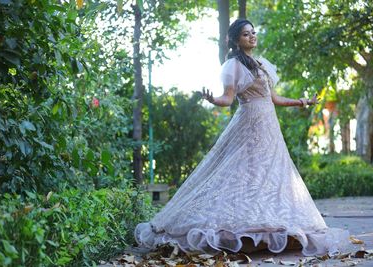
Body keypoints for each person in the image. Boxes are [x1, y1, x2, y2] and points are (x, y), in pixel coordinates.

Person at [135, 19, 349, 256]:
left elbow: (274, 98)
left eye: (253, 33)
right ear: (237, 40)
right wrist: (212, 99)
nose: (252, 37)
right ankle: (237, 225)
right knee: (240, 172)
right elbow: (228, 98)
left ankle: (265, 221)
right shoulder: (233, 65)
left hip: (269, 127)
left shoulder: (262, 64)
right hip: (249, 123)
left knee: (269, 173)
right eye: (246, 34)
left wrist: (302, 102)